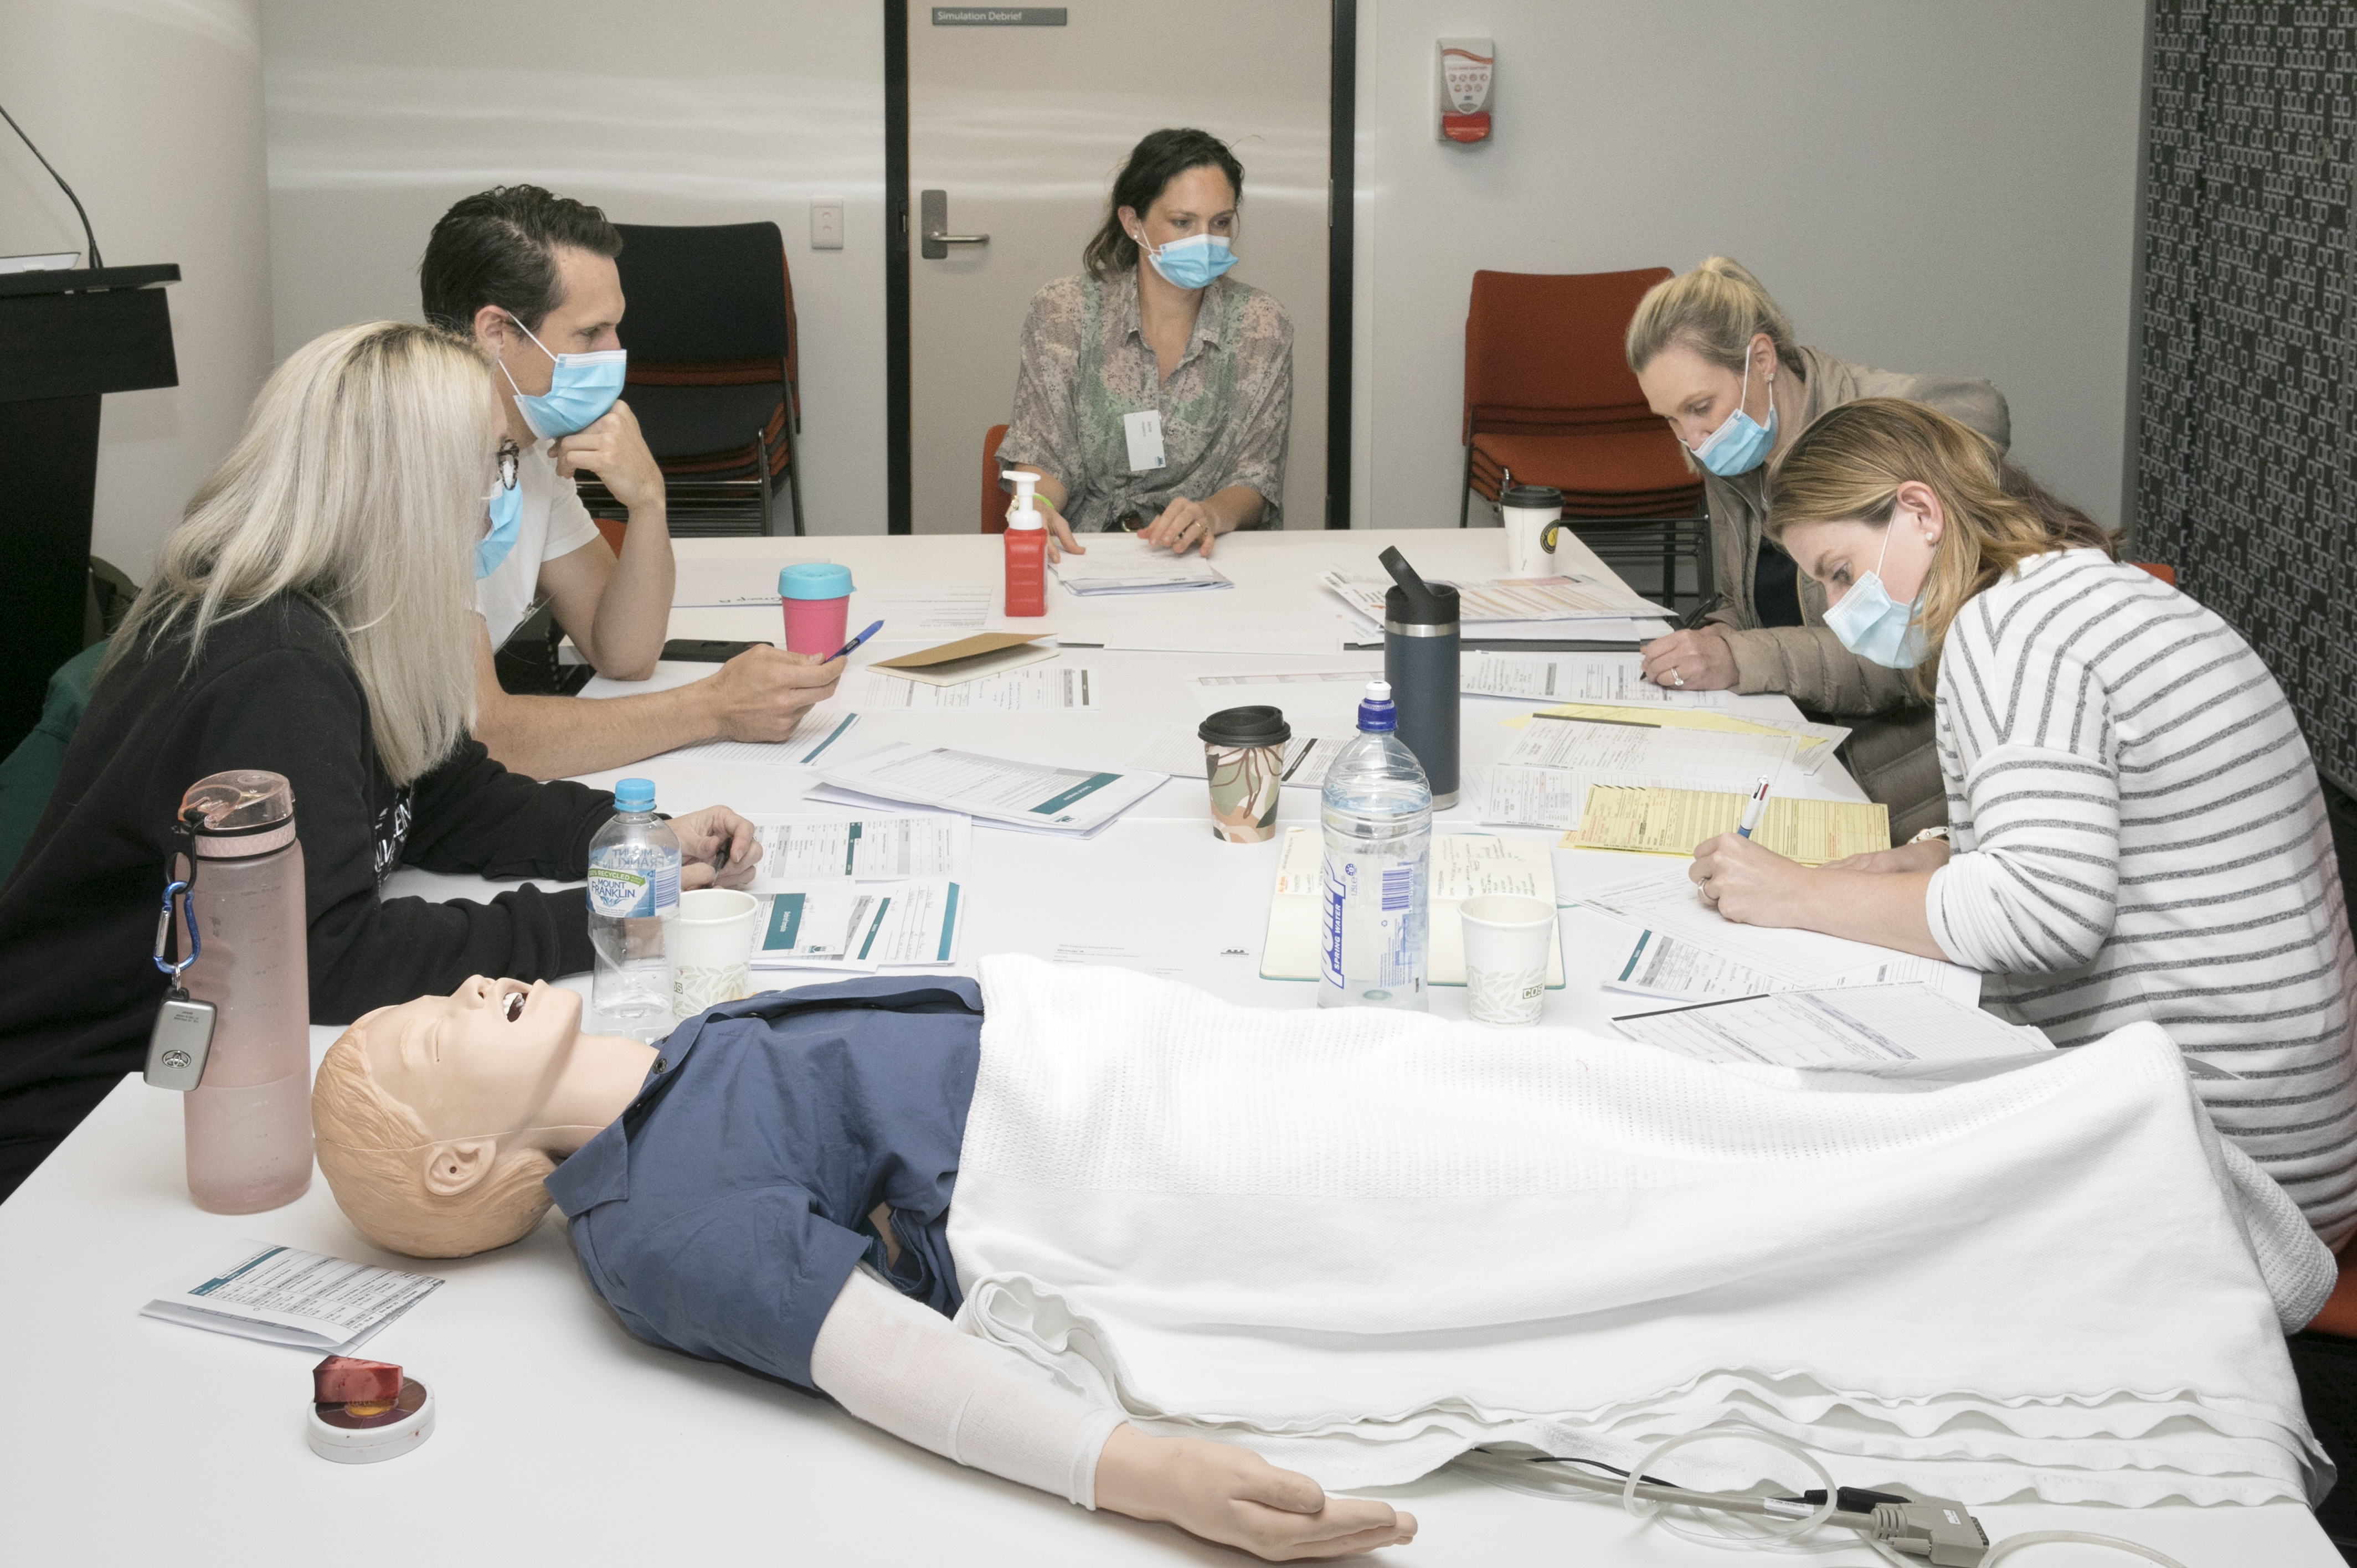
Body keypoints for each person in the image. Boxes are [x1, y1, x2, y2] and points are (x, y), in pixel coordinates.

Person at [311, 966, 2327, 1548]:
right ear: (479, 1151)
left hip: (1172, 1060)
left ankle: (2090, 1168)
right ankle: (2101, 1179)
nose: (460, 982)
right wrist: (1151, 1473)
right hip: (1160, 1165)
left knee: (1592, 1109)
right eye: (433, 1031)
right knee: (1616, 1189)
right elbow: (887, 1364)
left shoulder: (653, 1051)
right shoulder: (659, 1223)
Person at [0, 322, 760, 1201]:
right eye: (490, 468)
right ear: (407, 490)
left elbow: (445, 793)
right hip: (87, 1118)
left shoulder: (344, 615)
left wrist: (632, 839)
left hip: (205, 1079)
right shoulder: (271, 662)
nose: (491, 505)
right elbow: (327, 958)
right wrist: (595, 919)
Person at [1686, 398, 2357, 1244]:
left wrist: (1790, 896)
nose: (1834, 607)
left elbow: (2042, 918)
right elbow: (2094, 842)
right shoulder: (2072, 591)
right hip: (2298, 1136)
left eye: (1843, 571)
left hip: (2229, 1172)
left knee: (1818, 1178)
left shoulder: (2008, 634)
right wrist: (1940, 861)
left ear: (1920, 513)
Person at [420, 186, 839, 780]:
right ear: (495, 332)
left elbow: (623, 651)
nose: (616, 353)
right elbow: (488, 734)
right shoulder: (414, 472)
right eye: (590, 334)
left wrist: (648, 501)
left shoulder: (529, 452)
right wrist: (713, 706)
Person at [1625, 258, 2011, 840]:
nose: (1690, 440)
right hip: (1801, 748)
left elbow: (1913, 648)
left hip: (1913, 792)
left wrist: (1742, 657)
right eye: (1669, 419)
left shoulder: (1884, 442)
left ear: (1761, 361)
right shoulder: (1733, 445)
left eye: (1698, 407)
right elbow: (1751, 601)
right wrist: (1717, 634)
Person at [998, 128, 1293, 561]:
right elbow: (1045, 449)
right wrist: (1037, 508)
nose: (1205, 240)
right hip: (1084, 554)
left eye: (1221, 223)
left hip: (1203, 559)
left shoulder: (1261, 324)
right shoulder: (1065, 311)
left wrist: (1210, 514)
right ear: (1133, 223)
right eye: (1182, 222)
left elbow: (1256, 476)